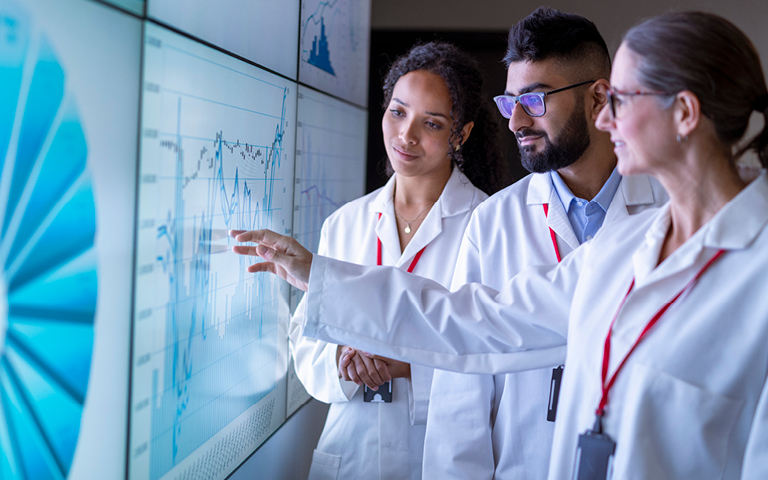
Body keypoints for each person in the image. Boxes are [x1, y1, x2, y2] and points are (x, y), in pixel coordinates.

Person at [233, 11, 768, 479]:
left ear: (685, 113)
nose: (606, 118)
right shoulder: (630, 243)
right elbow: (475, 321)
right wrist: (322, 278)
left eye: (620, 99)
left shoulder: (753, 267)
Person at [421, 8, 668, 479]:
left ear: (599, 99)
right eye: (508, 101)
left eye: (534, 101)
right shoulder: (493, 223)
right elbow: (461, 398)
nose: (515, 122)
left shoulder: (668, 211)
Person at [286, 41, 503, 480]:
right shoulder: (345, 223)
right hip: (349, 455)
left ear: (460, 135)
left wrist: (407, 365)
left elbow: (498, 351)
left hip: (437, 457)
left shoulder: (490, 225)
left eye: (433, 123)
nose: (406, 136)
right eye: (398, 112)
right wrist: (344, 360)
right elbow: (306, 344)